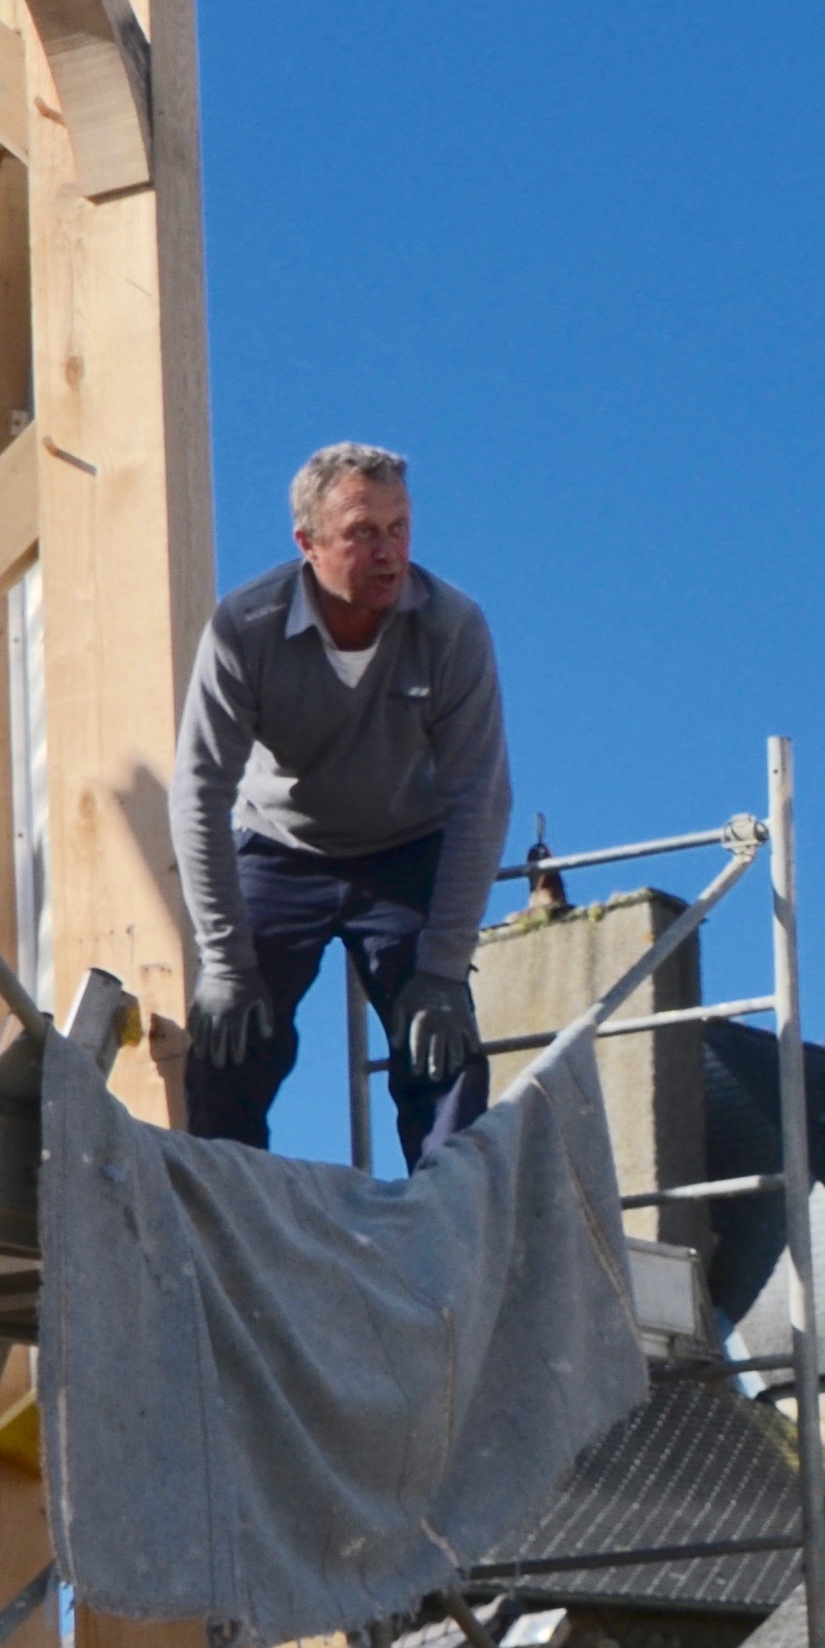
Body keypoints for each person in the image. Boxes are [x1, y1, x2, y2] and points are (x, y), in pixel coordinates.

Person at [168, 443, 512, 1163]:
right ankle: (229, 1206)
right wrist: (225, 961)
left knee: (444, 1048)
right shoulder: (246, 627)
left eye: (399, 527)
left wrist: (444, 969)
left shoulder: (452, 628)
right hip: (279, 849)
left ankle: (449, 1217)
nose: (388, 552)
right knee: (229, 1042)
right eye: (362, 532)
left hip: (406, 851)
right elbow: (200, 790)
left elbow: (479, 799)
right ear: (309, 543)